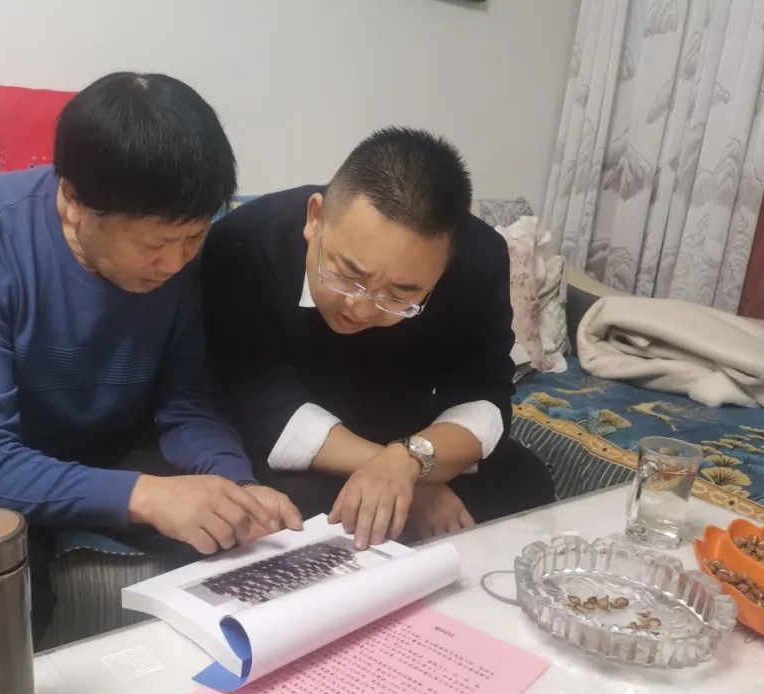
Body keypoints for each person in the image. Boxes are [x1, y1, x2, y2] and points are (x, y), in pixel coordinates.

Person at [0, 72, 301, 683]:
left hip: (106, 432)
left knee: (244, 535)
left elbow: (187, 401)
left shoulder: (180, 258)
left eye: (194, 237)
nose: (175, 263)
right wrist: (148, 496)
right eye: (155, 244)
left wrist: (234, 483)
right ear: (74, 199)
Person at [199, 127, 555, 550]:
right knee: (302, 514)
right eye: (347, 275)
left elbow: (484, 394)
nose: (362, 308)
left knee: (526, 482)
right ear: (315, 219)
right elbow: (259, 404)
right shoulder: (246, 244)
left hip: (411, 432)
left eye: (400, 295)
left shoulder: (479, 259)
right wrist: (404, 481)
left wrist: (408, 462)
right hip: (304, 449)